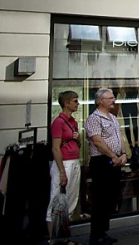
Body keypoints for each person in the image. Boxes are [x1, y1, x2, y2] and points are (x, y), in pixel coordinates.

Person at [85, 88, 127, 245]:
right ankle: (96, 235)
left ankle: (104, 231)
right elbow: (97, 141)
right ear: (100, 101)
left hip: (114, 162)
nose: (113, 100)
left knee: (110, 198)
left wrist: (123, 153)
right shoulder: (94, 119)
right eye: (110, 98)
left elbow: (119, 136)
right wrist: (113, 156)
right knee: (100, 199)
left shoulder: (112, 117)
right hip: (101, 162)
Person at [48, 91, 82, 240]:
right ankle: (53, 239)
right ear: (66, 103)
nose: (77, 104)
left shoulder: (73, 122)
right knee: (56, 200)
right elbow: (55, 148)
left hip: (74, 161)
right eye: (75, 101)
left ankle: (64, 237)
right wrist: (61, 171)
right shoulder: (59, 122)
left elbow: (78, 144)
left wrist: (78, 138)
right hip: (64, 163)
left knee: (70, 201)